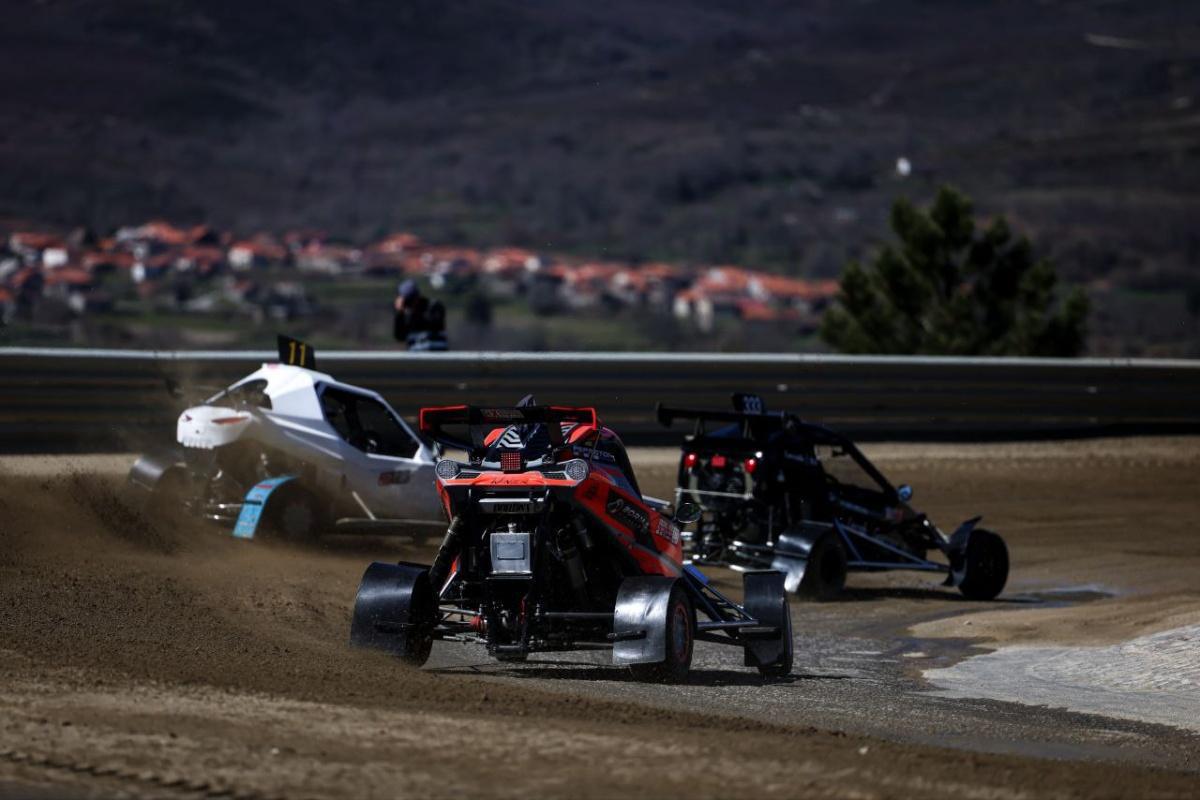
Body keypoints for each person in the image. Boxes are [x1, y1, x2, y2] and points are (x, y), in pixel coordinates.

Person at [393, 280, 447, 351]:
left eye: (411, 298)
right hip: (415, 355)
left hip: (437, 354)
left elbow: (434, 325)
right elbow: (400, 337)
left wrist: (415, 312)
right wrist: (400, 314)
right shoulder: (406, 315)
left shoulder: (433, 306)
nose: (410, 302)